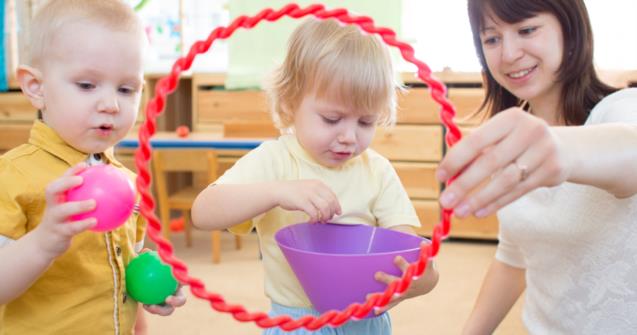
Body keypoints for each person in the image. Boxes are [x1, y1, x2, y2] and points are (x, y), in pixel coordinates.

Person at [192, 18, 438, 335]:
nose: (349, 136)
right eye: (332, 118)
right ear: (290, 102)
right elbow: (203, 212)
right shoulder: (275, 160)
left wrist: (417, 281)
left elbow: (410, 258)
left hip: (366, 323)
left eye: (366, 122)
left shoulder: (377, 171)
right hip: (297, 324)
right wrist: (276, 192)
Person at [433, 0, 637, 334]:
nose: (508, 53)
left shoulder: (622, 109)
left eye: (526, 30)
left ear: (570, 31)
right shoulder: (512, 141)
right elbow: (514, 257)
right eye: (491, 39)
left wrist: (558, 147)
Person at [0, 1, 185, 334]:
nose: (111, 105)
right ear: (36, 87)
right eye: (87, 85)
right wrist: (42, 243)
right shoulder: (11, 177)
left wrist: (151, 290)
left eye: (127, 89)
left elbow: (127, 271)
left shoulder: (128, 183)